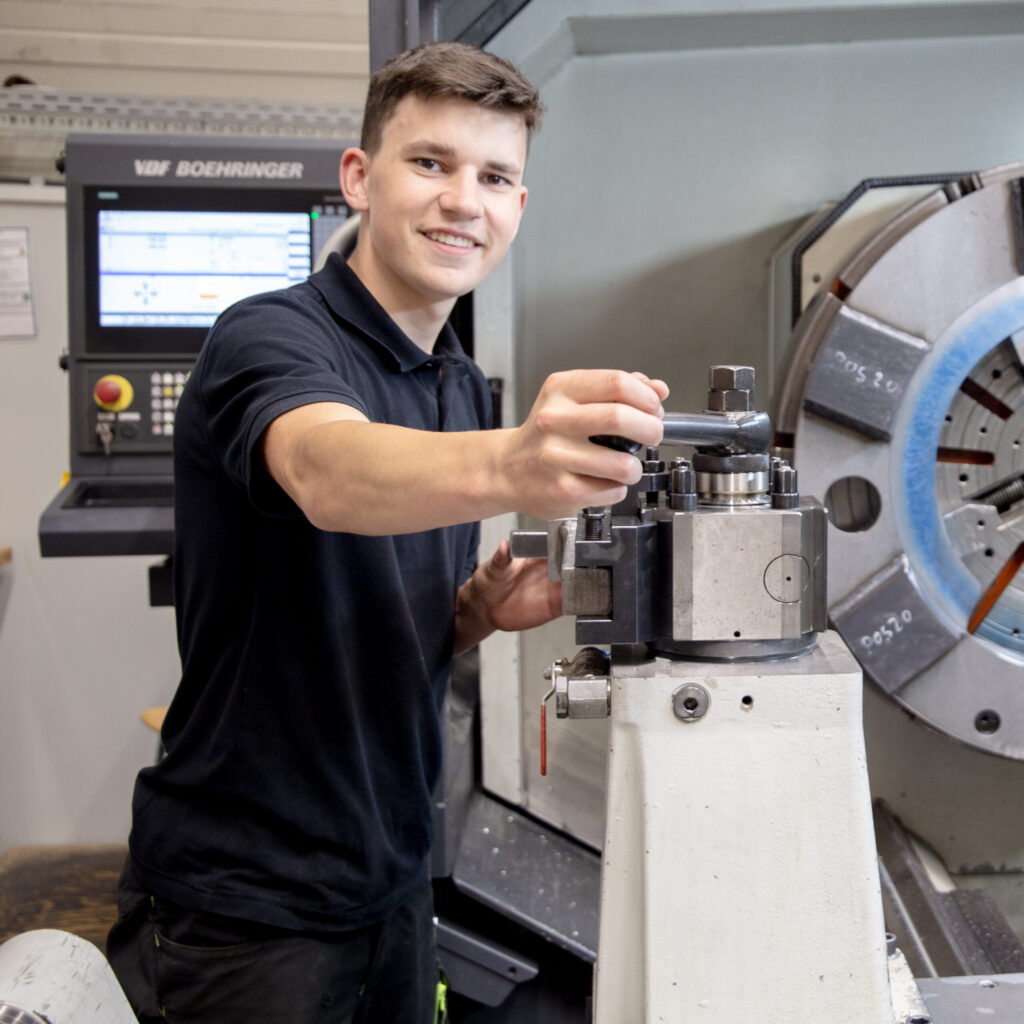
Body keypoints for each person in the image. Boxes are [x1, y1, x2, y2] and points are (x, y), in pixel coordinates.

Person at [107, 40, 668, 1023]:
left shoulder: (455, 383)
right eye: (431, 163)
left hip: (395, 880)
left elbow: (384, 613)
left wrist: (475, 611)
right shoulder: (272, 337)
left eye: (494, 176)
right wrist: (513, 462)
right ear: (360, 179)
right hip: (248, 905)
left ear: (518, 211)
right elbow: (328, 471)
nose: (464, 200)